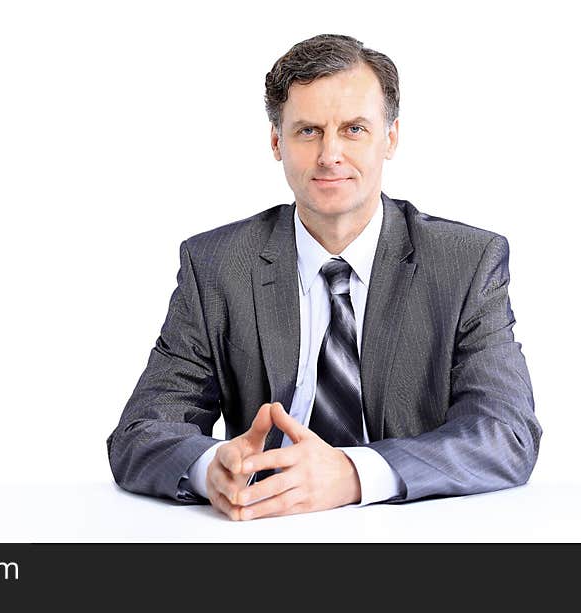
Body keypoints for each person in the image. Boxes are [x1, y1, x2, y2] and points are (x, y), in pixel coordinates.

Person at [105, 34, 542, 521]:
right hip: (260, 530)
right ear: (276, 142)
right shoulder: (217, 265)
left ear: (390, 137)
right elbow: (140, 430)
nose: (330, 154)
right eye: (308, 131)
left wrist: (354, 474)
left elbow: (507, 432)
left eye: (354, 129)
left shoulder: (465, 263)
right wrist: (212, 469)